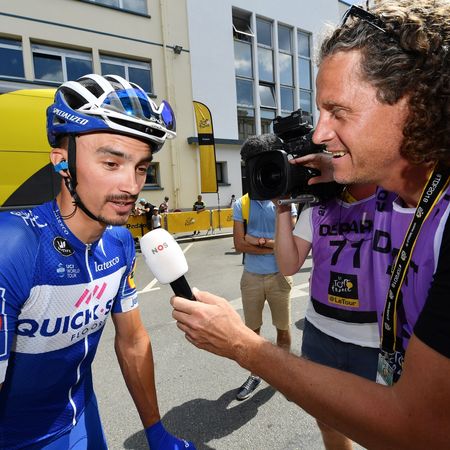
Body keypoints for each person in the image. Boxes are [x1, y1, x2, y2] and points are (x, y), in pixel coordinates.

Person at [170, 2, 450, 448]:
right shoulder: (402, 202)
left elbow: (421, 428)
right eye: (320, 111)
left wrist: (243, 345)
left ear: (414, 105)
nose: (318, 134)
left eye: (338, 111)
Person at [0, 74, 195, 449]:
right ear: (62, 163)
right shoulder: (12, 246)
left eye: (141, 167)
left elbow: (133, 340)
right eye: (111, 163)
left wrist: (155, 431)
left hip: (82, 423)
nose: (131, 186)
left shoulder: (119, 242)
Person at [276, 183, 381, 450]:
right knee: (326, 421)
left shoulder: (396, 198)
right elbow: (288, 264)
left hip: (376, 342)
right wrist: (282, 207)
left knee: (381, 432)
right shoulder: (317, 206)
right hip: (320, 333)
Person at [233, 135, 297, 401]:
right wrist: (274, 244)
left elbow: (290, 243)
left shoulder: (284, 201)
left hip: (279, 276)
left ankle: (283, 372)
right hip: (251, 278)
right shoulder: (242, 204)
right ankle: (255, 374)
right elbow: (239, 244)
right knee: (252, 333)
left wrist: (256, 241)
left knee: (283, 329)